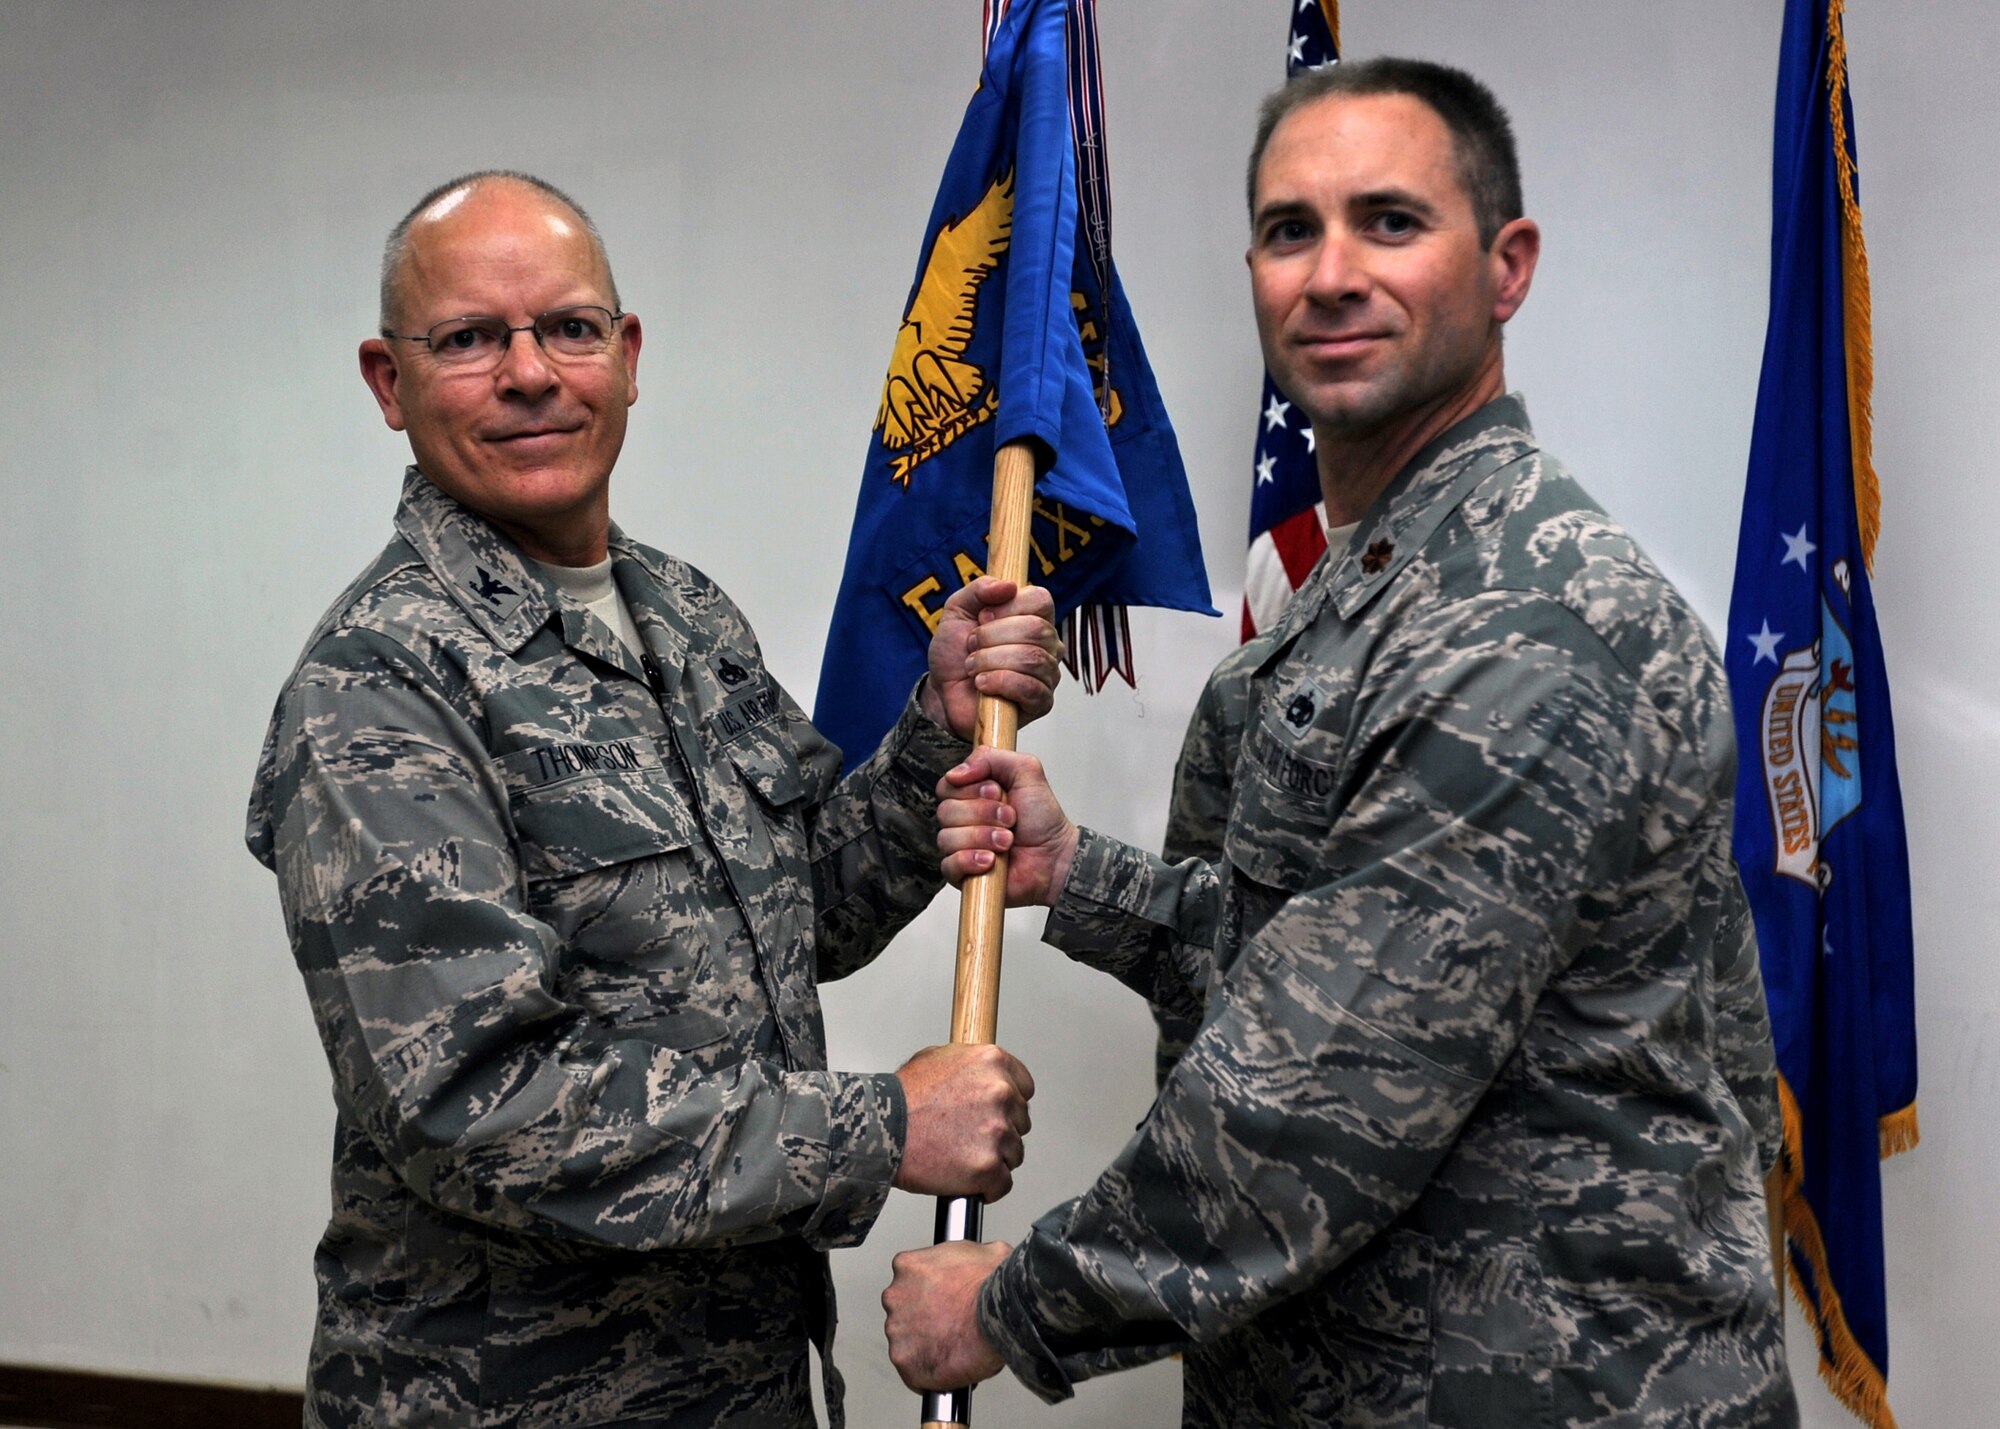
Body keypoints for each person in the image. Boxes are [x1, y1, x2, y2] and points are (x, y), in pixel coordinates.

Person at [883, 59, 1798, 1427]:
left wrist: (1013, 1306)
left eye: (1389, 221)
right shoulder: (1379, 583)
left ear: (1507, 265)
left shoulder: (1523, 618)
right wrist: (1081, 876)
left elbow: (1321, 1096)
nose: (1330, 274)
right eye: (1290, 229)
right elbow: (1315, 935)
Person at [245, 170, 1063, 1429]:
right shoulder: (379, 685)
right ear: (387, 381)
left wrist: (930, 738)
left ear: (626, 358)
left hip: (732, 1380)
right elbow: (472, 1108)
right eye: (469, 338)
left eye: (568, 328)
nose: (529, 371)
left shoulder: (682, 612)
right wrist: (879, 1126)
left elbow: (795, 918)